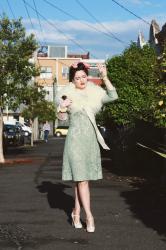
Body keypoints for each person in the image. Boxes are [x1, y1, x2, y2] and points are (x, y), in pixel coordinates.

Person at [56, 62, 118, 233]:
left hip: (90, 141)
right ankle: (89, 216)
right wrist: (62, 106)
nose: (81, 80)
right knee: (82, 180)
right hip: (75, 140)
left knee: (81, 180)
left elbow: (113, 97)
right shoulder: (67, 94)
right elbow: (61, 118)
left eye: (84, 76)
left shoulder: (94, 93)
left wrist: (104, 77)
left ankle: (76, 213)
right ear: (72, 80)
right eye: (77, 78)